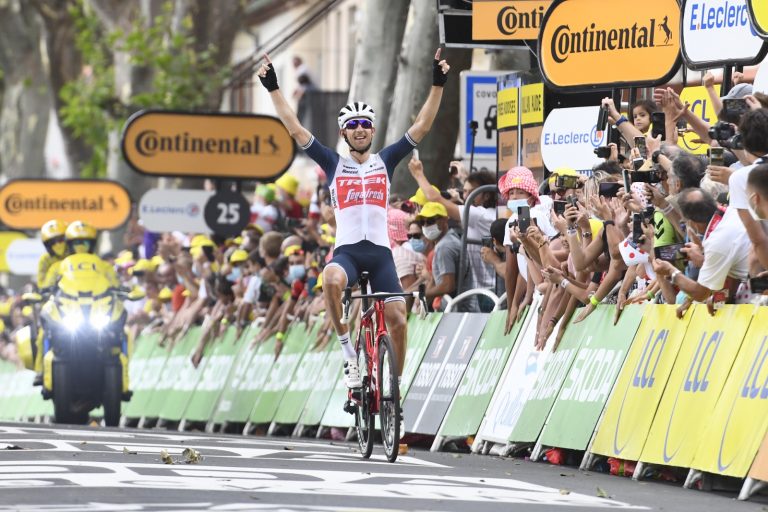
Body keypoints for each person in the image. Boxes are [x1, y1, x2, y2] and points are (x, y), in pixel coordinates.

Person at [257, 48, 450, 390]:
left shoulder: (386, 160)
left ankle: (395, 386)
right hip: (347, 252)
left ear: (372, 130)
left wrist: (438, 82)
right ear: (344, 133)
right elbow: (294, 127)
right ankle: (348, 354)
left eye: (365, 124)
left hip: (380, 255)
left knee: (398, 319)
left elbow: (421, 126)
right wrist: (273, 86)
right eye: (352, 125)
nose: (360, 129)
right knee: (330, 279)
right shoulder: (333, 163)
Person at [37, 220, 68, 290]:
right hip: (54, 296)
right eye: (52, 242)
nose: (57, 244)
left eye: (61, 240)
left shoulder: (74, 254)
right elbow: (41, 286)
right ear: (47, 245)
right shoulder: (45, 259)